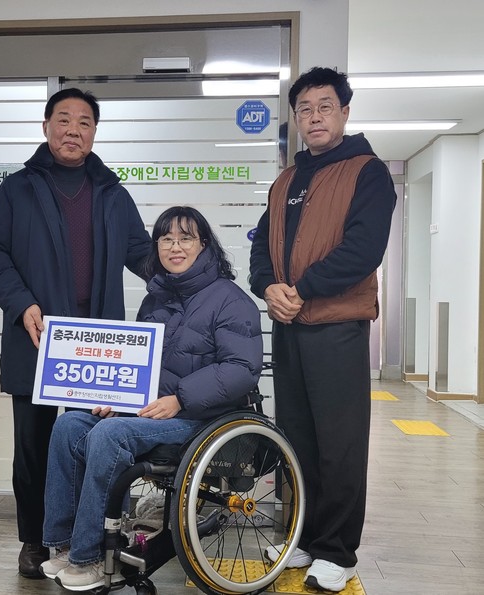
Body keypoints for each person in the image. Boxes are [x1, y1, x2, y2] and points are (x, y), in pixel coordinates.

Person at [0, 88, 153, 579]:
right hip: (37, 336)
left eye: (84, 122)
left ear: (94, 132)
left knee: (88, 441)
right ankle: (35, 540)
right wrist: (21, 303)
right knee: (33, 447)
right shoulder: (18, 189)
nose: (73, 130)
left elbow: (141, 253)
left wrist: (186, 274)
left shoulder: (112, 193)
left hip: (95, 346)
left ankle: (83, 540)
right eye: (64, 119)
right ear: (46, 126)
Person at [39, 206, 263, 591]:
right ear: (156, 246)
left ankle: (90, 556)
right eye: (166, 239)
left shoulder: (230, 299)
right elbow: (142, 367)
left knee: (109, 435)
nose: (175, 247)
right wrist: (119, 398)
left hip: (201, 418)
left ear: (204, 244)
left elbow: (242, 368)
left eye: (185, 238)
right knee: (69, 425)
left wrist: (181, 399)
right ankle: (66, 544)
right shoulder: (156, 299)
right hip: (154, 412)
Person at [249, 67, 396, 593]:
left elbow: (362, 250)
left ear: (345, 112)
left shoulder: (367, 172)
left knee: (340, 444)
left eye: (325, 107)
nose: (315, 117)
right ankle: (306, 537)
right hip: (289, 327)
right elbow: (261, 247)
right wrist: (268, 287)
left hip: (336, 329)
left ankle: (338, 551)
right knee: (298, 441)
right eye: (305, 109)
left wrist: (301, 289)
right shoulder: (285, 181)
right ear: (296, 118)